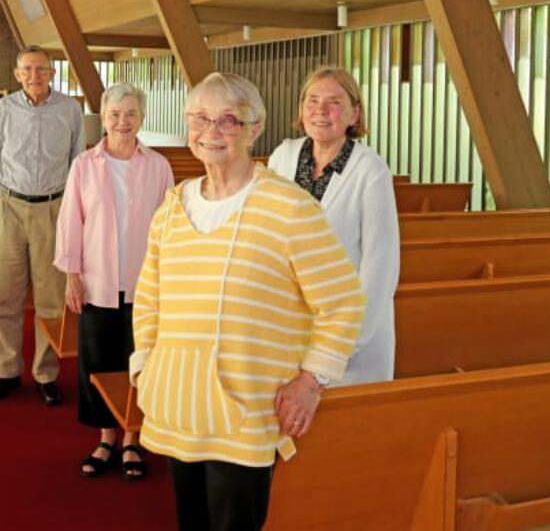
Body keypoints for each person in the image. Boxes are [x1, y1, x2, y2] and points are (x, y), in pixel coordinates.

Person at [131, 72, 366, 531]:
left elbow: (342, 302)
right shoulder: (172, 208)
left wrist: (311, 381)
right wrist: (146, 364)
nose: (211, 131)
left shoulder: (289, 209)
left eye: (228, 121)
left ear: (255, 128)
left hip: (248, 408)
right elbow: (149, 297)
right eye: (200, 118)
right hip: (181, 402)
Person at [54, 83, 174, 480]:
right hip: (97, 282)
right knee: (99, 360)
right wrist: (72, 275)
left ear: (142, 118)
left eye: (130, 114)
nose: (122, 122)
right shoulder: (84, 165)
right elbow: (71, 220)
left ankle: (133, 439)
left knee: (138, 362)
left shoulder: (158, 166)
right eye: (114, 115)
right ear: (103, 119)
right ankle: (106, 437)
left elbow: (168, 227)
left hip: (145, 284)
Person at [267, 66, 399, 385]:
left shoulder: (370, 171)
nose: (321, 110)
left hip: (348, 333)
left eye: (334, 102)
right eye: (312, 100)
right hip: (287, 324)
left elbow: (380, 266)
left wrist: (345, 342)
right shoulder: (282, 158)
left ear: (354, 114)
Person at [0, 45, 84, 406]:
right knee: (6, 294)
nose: (35, 76)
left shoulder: (70, 110)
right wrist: (6, 195)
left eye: (42, 69)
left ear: (53, 74)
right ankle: (6, 370)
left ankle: (46, 373)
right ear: (17, 74)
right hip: (8, 206)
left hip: (53, 210)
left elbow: (77, 159)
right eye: (28, 69)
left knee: (51, 297)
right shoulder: (3, 109)